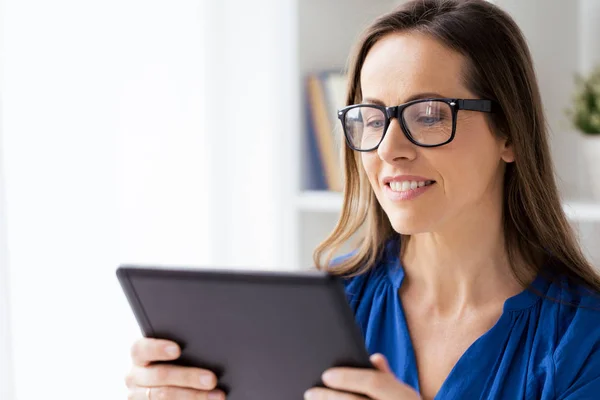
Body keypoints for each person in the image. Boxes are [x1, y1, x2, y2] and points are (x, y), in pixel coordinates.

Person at [124, 0, 600, 399]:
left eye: (430, 114)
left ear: (510, 134)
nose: (389, 148)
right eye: (371, 119)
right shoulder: (314, 316)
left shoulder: (583, 341)